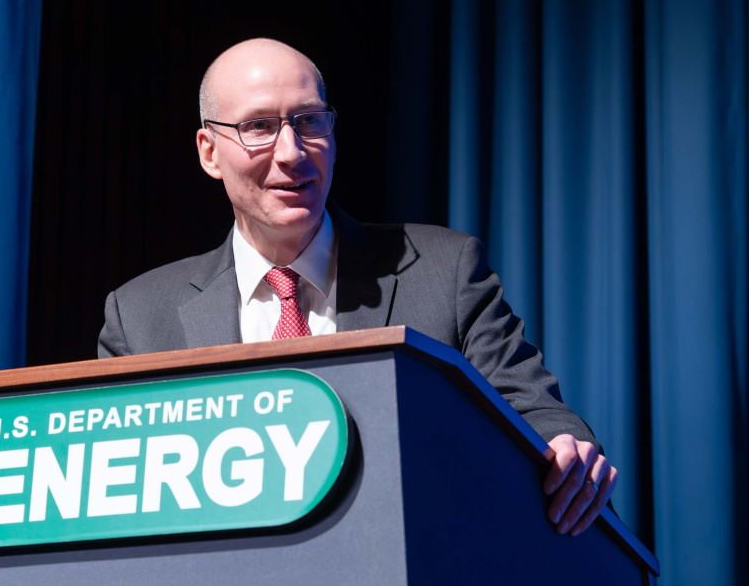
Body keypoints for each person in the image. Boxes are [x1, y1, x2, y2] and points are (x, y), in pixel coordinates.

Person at [98, 37, 618, 536]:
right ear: (210, 152)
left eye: (308, 122)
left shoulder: (446, 270)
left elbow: (538, 414)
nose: (292, 152)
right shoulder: (141, 317)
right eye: (259, 126)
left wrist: (565, 451)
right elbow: (112, 495)